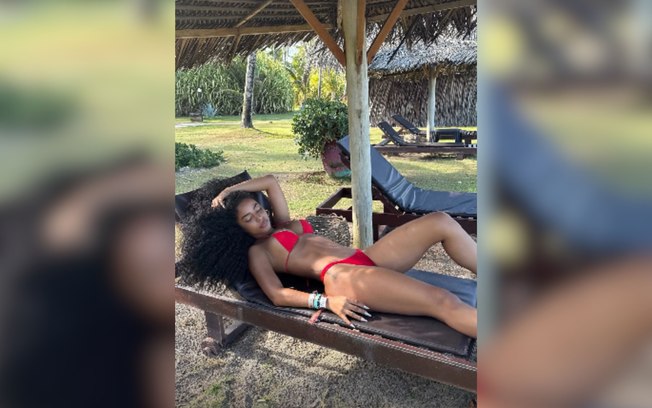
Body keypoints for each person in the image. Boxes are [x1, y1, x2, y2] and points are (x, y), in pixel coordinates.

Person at [178, 174, 477, 338]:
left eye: (258, 209)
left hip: (365, 257)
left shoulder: (284, 225)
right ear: (238, 230)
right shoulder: (258, 252)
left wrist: (229, 190)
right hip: (344, 277)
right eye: (248, 219)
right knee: (442, 300)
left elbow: (270, 182)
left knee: (440, 221)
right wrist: (325, 302)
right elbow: (277, 295)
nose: (260, 217)